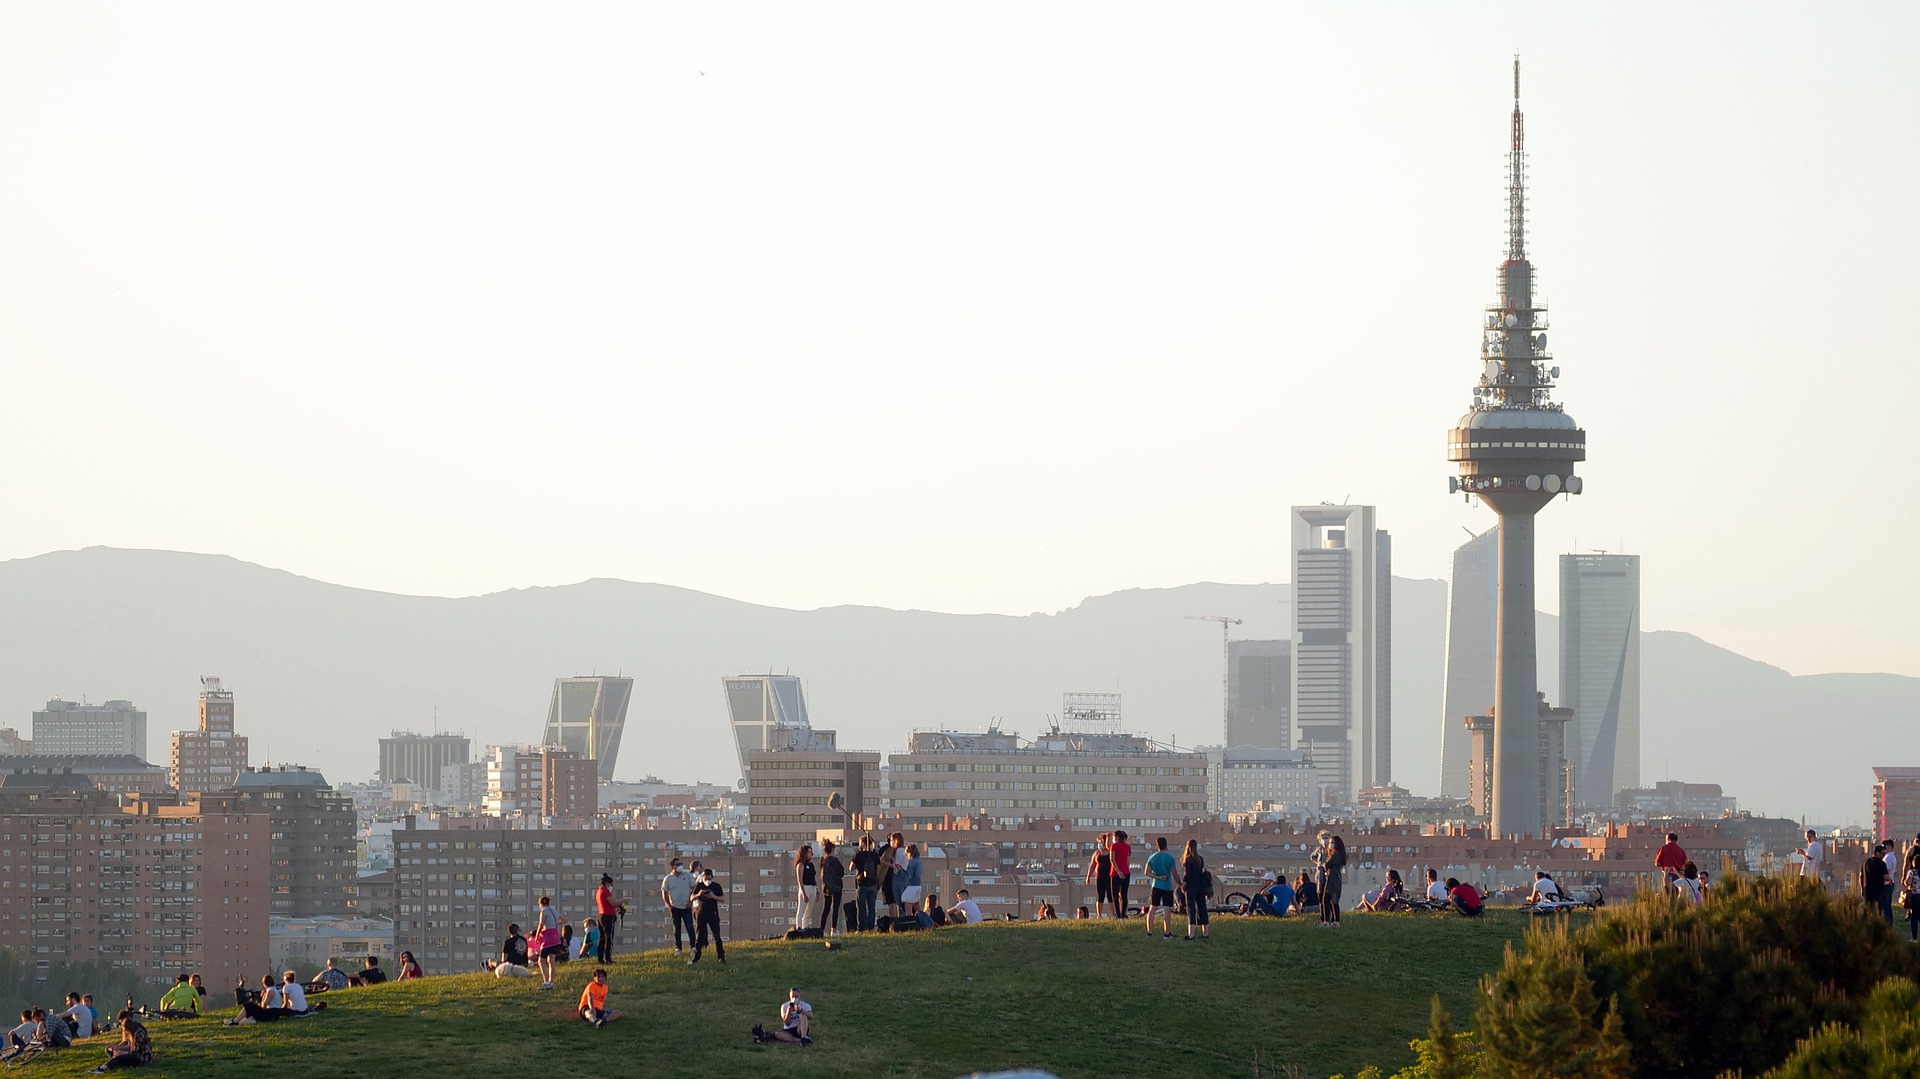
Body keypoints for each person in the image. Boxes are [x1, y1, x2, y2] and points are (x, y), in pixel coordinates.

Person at [690, 867, 727, 964]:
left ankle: (721, 956)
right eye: (706, 878)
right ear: (703, 877)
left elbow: (722, 899)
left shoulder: (716, 886)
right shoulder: (699, 886)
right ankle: (697, 957)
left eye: (709, 878)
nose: (707, 880)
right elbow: (691, 898)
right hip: (701, 913)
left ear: (712, 877)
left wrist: (713, 896)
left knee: (717, 935)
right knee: (700, 936)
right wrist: (699, 894)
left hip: (713, 913)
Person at [1144, 836, 1178, 939]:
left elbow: (1146, 872)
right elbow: (1175, 874)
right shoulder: (1170, 858)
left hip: (1156, 886)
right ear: (1166, 845)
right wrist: (1180, 884)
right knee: (1167, 909)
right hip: (1167, 887)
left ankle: (1149, 932)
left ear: (1157, 845)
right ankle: (1167, 933)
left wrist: (1157, 877)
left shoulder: (1152, 857)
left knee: (1152, 908)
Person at [1178, 839, 1210, 941]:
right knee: (1202, 908)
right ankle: (1205, 933)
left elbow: (1188, 875)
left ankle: (1191, 934)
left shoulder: (1188, 860)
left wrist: (1183, 886)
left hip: (1191, 887)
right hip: (1201, 886)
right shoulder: (1200, 859)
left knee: (1191, 910)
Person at [662, 858, 696, 953]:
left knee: (689, 927)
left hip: (686, 907)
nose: (680, 866)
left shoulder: (687, 875)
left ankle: (693, 946)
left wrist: (691, 901)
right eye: (677, 864)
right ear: (672, 866)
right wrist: (669, 905)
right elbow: (664, 893)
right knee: (677, 929)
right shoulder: (668, 879)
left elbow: (694, 887)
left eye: (680, 864)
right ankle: (678, 948)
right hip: (675, 907)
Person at [531, 896, 566, 989]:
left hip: (547, 938)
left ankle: (546, 981)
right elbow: (564, 919)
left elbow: (541, 924)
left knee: (541, 961)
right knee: (551, 961)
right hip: (555, 936)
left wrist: (537, 935)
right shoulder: (553, 910)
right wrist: (555, 924)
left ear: (540, 903)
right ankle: (551, 982)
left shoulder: (544, 911)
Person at [851, 834, 883, 932]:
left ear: (864, 843)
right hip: (873, 884)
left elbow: (851, 868)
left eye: (860, 843)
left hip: (862, 884)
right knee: (871, 907)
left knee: (861, 907)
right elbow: (878, 870)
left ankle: (861, 928)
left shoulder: (858, 855)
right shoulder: (875, 855)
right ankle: (871, 928)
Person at [817, 838, 846, 937]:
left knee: (826, 908)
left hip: (826, 887)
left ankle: (821, 929)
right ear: (832, 850)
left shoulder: (822, 860)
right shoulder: (834, 860)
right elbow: (842, 871)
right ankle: (833, 929)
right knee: (835, 908)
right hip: (836, 886)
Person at [1319, 835, 1348, 928]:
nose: (1330, 845)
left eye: (1332, 843)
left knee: (1325, 900)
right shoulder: (1340, 855)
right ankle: (1336, 921)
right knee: (1333, 901)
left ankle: (1326, 922)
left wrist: (1324, 864)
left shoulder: (1336, 855)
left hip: (1331, 880)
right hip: (1335, 879)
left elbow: (1326, 865)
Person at [792, 844, 820, 931]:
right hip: (805, 888)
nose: (810, 854)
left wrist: (817, 890)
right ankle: (799, 927)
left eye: (811, 852)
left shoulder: (811, 865)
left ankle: (805, 927)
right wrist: (804, 893)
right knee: (801, 910)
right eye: (808, 852)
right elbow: (799, 880)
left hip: (812, 888)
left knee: (808, 911)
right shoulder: (800, 865)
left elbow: (813, 877)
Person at [593, 874, 620, 963]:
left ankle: (600, 958)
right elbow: (613, 903)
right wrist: (623, 901)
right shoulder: (605, 892)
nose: (610, 887)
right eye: (610, 885)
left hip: (601, 916)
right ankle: (608, 957)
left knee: (602, 938)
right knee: (608, 938)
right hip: (607, 917)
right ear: (607, 883)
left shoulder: (598, 892)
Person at [1085, 834, 1113, 918]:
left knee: (1110, 896)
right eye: (1099, 842)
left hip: (1109, 877)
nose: (1100, 844)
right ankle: (1099, 915)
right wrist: (1088, 877)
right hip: (1099, 877)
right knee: (1100, 896)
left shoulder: (1110, 852)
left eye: (1101, 842)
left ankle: (1114, 914)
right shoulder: (1096, 853)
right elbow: (1092, 865)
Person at [1863, 846, 1891, 918]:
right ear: (1877, 853)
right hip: (1878, 890)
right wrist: (1890, 879)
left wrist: (1862, 888)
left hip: (1867, 889)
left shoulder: (1866, 862)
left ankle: (1867, 924)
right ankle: (1876, 924)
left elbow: (1861, 876)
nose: (1884, 856)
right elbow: (1886, 877)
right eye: (1882, 854)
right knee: (1878, 911)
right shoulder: (1881, 863)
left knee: (1868, 909)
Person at [1110, 830, 1133, 918]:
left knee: (1115, 894)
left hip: (1115, 873)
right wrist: (1125, 870)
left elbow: (1112, 859)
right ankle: (1123, 913)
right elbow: (1128, 860)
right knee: (1124, 894)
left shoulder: (1114, 846)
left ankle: (1118, 914)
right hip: (1126, 872)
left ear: (1116, 837)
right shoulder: (1128, 847)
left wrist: (1118, 871)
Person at [899, 844, 924, 910]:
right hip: (918, 885)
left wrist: (901, 870)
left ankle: (908, 918)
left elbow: (909, 875)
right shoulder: (919, 861)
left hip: (912, 886)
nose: (906, 855)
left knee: (908, 906)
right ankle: (922, 918)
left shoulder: (912, 862)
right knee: (917, 906)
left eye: (907, 853)